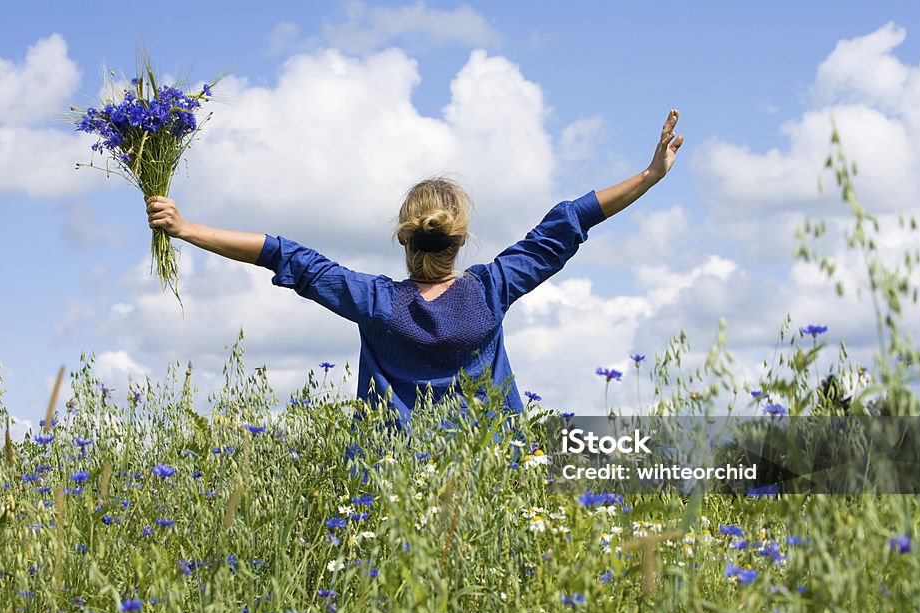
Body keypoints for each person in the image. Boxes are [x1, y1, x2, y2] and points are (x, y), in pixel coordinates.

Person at [146, 109, 683, 422]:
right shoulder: (491, 290)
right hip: (488, 481)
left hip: (391, 490)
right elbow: (567, 223)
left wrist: (187, 229)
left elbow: (284, 255)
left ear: (403, 238)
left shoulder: (375, 303)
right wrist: (649, 175)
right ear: (461, 238)